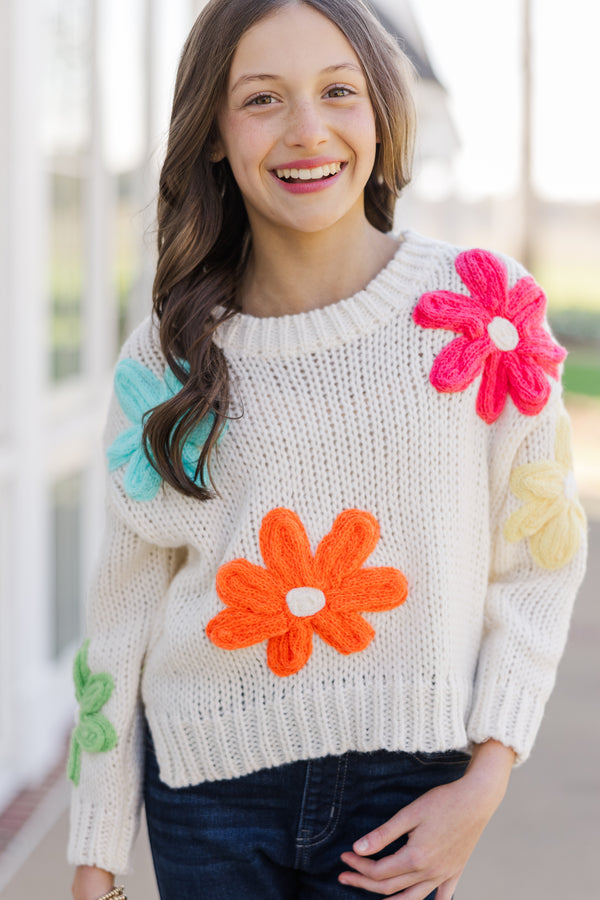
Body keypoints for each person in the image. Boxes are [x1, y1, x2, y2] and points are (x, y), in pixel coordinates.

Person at [68, 1, 587, 898]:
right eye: (262, 98)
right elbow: (122, 616)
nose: (308, 132)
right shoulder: (169, 356)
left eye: (338, 91)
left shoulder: (484, 314)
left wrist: (488, 776)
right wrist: (94, 853)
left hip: (405, 793)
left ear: (381, 112)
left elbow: (540, 559)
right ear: (216, 135)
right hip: (207, 795)